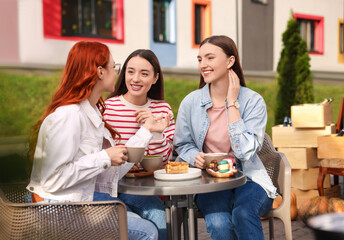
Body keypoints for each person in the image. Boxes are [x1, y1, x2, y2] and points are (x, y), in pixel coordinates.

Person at [27, 41, 171, 240]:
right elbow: (53, 179)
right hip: (58, 208)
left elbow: (113, 170)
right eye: (115, 67)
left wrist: (147, 131)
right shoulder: (69, 115)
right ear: (100, 72)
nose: (117, 73)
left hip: (78, 202)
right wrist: (104, 158)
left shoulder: (92, 112)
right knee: (146, 232)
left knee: (149, 221)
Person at [173, 35, 277, 240]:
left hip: (249, 177)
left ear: (230, 61)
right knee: (219, 222)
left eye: (210, 58)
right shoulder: (190, 103)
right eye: (200, 59)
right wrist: (195, 156)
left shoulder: (253, 101)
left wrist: (231, 103)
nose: (203, 65)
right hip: (209, 179)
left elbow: (245, 152)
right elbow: (183, 144)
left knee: (243, 214)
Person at [104, 49, 175, 240]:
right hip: (115, 185)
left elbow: (166, 158)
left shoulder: (162, 109)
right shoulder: (108, 108)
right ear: (123, 73)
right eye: (130, 71)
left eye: (144, 74)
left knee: (161, 216)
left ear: (155, 78)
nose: (136, 79)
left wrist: (156, 131)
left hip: (147, 187)